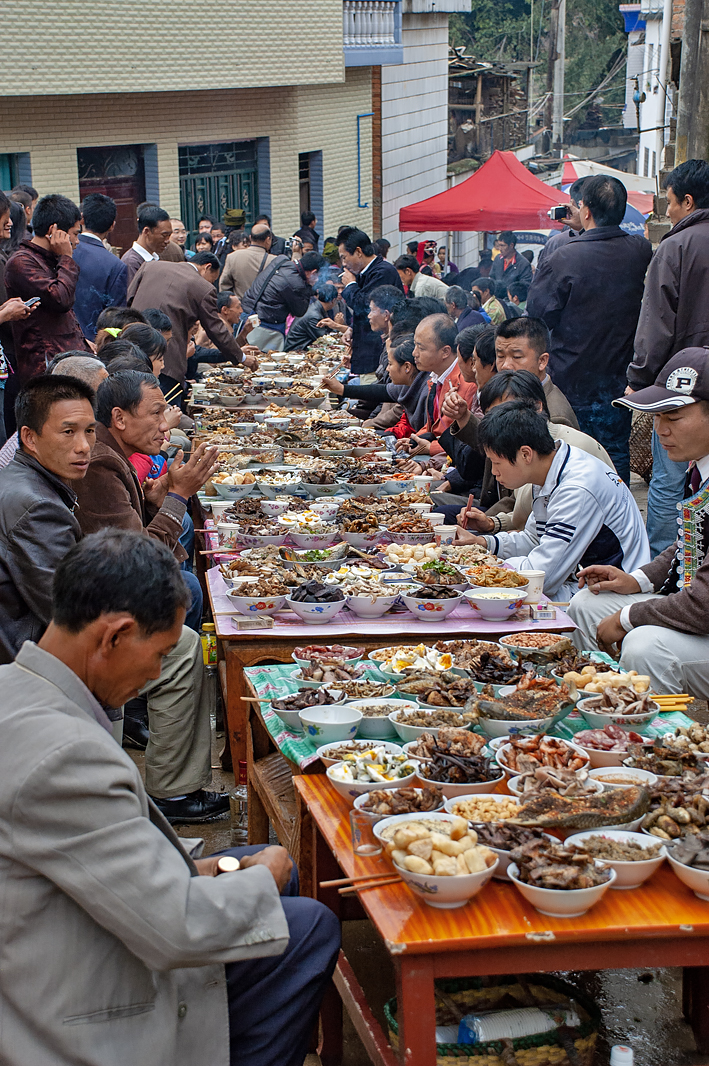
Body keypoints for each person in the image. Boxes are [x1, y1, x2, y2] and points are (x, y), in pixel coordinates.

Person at [0, 528, 340, 1066]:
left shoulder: (13, 686)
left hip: (71, 915)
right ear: (114, 636)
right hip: (70, 996)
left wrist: (213, 868)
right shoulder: (63, 759)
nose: (159, 672)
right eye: (159, 653)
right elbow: (175, 928)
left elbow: (106, 854)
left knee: (274, 885)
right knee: (308, 920)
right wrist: (263, 873)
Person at [569, 348, 709, 697]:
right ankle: (603, 712)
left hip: (703, 615)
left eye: (673, 417)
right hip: (699, 612)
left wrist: (628, 616)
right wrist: (637, 580)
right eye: (657, 416)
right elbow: (691, 541)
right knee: (585, 604)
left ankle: (663, 744)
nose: (659, 430)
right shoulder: (701, 466)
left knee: (646, 646)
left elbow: (704, 605)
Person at [454, 401, 649, 600]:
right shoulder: (553, 468)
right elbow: (534, 538)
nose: (494, 472)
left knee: (495, 600)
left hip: (613, 592)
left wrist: (478, 569)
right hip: (578, 579)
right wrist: (482, 543)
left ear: (526, 454)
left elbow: (543, 577)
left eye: (496, 463)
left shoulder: (575, 488)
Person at [527, 175, 652, 483]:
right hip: (618, 374)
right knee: (614, 452)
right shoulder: (640, 250)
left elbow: (540, 315)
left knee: (571, 454)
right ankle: (616, 519)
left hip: (572, 375)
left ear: (585, 211)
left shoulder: (563, 256)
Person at [628, 159, 709, 556]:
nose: (669, 211)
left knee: (669, 477)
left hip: (684, 384)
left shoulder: (676, 246)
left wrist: (641, 379)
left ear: (688, 202)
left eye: (671, 203)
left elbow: (656, 321)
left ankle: (660, 568)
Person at [0, 373, 103, 661]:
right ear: (30, 437)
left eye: (90, 431)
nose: (84, 445)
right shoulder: (36, 507)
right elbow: (73, 615)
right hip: (27, 658)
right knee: (180, 644)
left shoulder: (18, 478)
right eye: (68, 432)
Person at [450, 369, 615, 533]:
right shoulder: (520, 446)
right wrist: (493, 524)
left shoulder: (566, 451)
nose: (496, 424)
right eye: (490, 416)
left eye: (505, 414)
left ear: (536, 408)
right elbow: (531, 518)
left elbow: (555, 540)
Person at [128, 252, 255, 383]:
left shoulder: (149, 266)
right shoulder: (202, 287)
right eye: (212, 280)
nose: (211, 284)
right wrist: (242, 358)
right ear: (207, 267)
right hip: (169, 357)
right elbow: (216, 329)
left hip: (132, 346)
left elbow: (128, 298)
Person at [4, 194, 88, 386]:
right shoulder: (22, 263)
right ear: (55, 231)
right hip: (46, 368)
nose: (76, 241)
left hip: (65, 361)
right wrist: (67, 258)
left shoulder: (49, 259)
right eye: (75, 234)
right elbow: (61, 299)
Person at [323, 335, 430, 434]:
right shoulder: (409, 385)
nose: (387, 369)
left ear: (407, 367)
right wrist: (341, 389)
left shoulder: (427, 392)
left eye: (390, 364)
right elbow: (380, 391)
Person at [337, 227, 403, 382]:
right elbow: (364, 314)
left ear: (359, 252)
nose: (344, 264)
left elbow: (364, 305)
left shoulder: (382, 272)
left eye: (345, 258)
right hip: (368, 353)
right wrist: (352, 329)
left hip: (376, 357)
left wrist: (350, 285)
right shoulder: (367, 272)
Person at [494, 317, 579, 428]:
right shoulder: (512, 393)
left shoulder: (553, 418)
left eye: (516, 357)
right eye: (500, 356)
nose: (505, 365)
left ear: (542, 361)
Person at [242, 250, 324, 353]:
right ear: (313, 272)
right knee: (262, 360)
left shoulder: (281, 260)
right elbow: (300, 311)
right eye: (318, 276)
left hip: (250, 311)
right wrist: (309, 287)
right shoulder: (296, 284)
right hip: (268, 325)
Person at [73, 193, 128, 341]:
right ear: (112, 226)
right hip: (95, 344)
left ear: (82, 218)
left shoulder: (62, 252)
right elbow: (115, 319)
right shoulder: (116, 265)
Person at [219, 223, 275, 299]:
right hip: (267, 308)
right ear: (268, 240)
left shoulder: (233, 257)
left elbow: (224, 286)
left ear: (250, 237)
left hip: (241, 307)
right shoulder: (274, 261)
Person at [120, 205, 173, 283]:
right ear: (147, 231)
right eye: (164, 235)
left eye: (169, 235)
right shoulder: (131, 262)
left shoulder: (156, 256)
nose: (167, 241)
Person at [284, 282, 340, 350]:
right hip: (296, 350)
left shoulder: (316, 308)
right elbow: (326, 341)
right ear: (333, 300)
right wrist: (337, 326)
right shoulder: (314, 316)